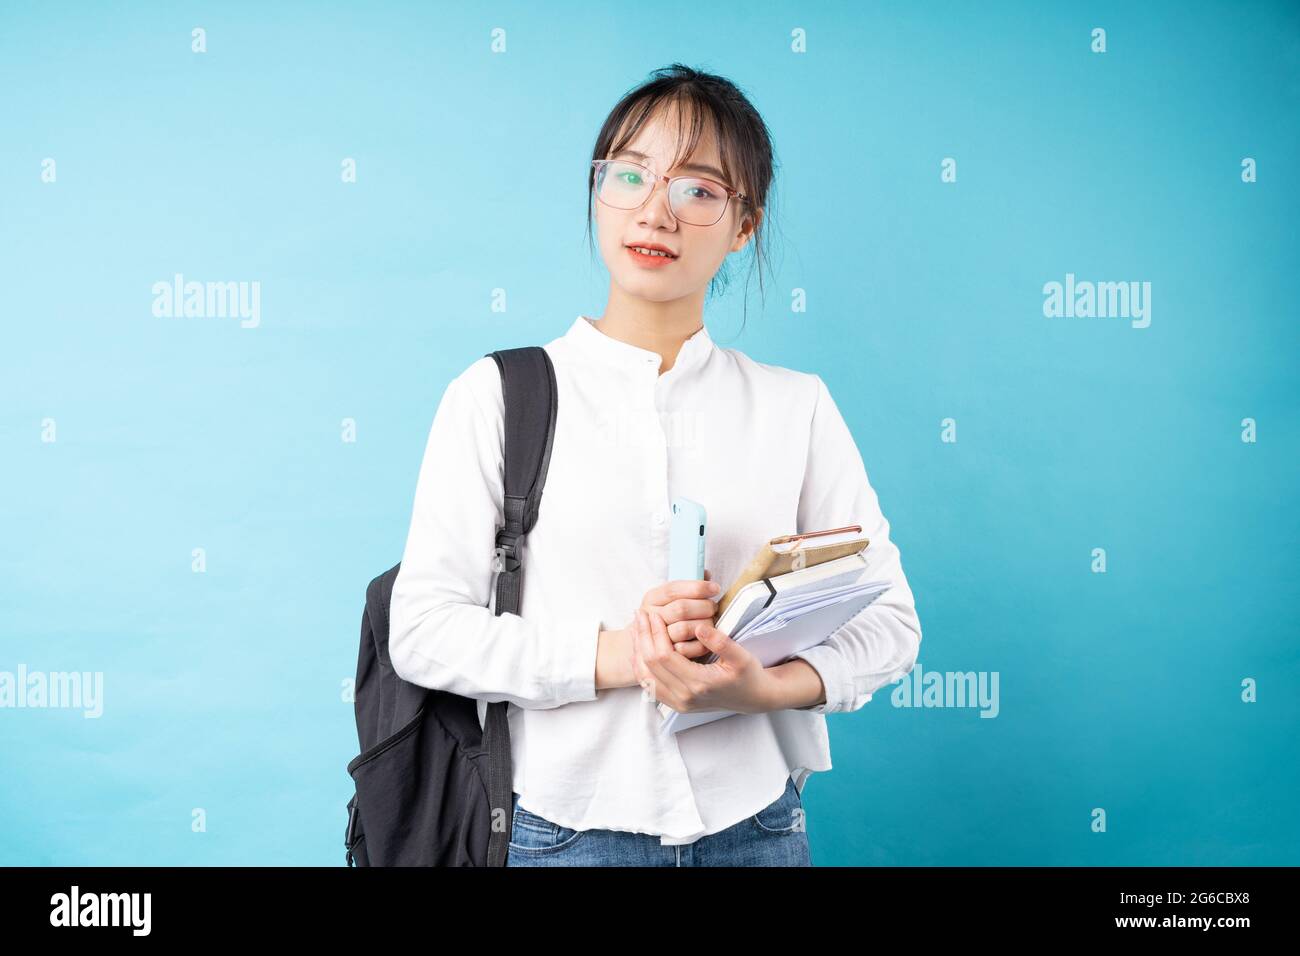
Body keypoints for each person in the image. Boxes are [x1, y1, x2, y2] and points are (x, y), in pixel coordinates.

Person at [388, 64, 922, 867]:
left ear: (744, 225)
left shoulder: (795, 406)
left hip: (759, 831)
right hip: (559, 835)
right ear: (597, 190)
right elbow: (424, 633)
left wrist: (766, 688)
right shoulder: (499, 396)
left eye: (699, 190)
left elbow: (891, 625)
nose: (654, 209)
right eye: (630, 174)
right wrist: (622, 654)